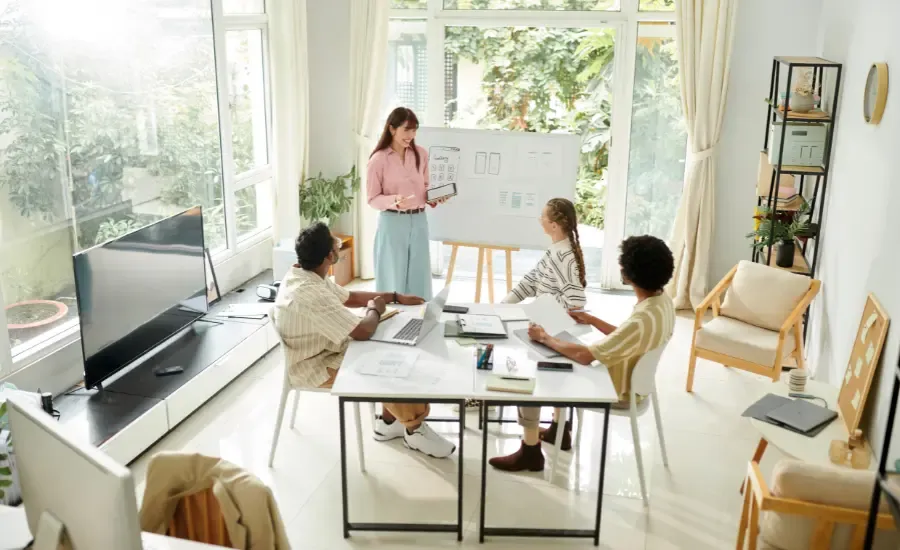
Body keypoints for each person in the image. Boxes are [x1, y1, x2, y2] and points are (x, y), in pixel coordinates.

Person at [489, 235, 676, 472]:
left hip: (615, 387)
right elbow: (628, 336)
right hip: (633, 381)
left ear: (628, 274)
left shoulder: (642, 318)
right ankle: (559, 429)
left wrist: (545, 337)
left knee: (535, 370)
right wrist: (591, 320)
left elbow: (585, 356)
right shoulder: (661, 303)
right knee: (558, 349)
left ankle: (530, 451)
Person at [273, 222, 456, 459]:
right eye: (335, 242)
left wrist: (394, 297)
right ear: (330, 256)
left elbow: (349, 297)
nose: (338, 245)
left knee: (394, 348)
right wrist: (376, 310)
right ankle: (415, 430)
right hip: (315, 366)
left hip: (326, 349)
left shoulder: (305, 273)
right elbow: (363, 331)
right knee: (387, 363)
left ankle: (390, 423)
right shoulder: (309, 293)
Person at [367, 107, 449, 301]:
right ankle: (391, 319)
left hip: (419, 221)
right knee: (392, 277)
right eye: (407, 130)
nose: (411, 135)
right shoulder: (378, 160)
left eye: (414, 130)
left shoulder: (421, 154)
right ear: (392, 129)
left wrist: (434, 197)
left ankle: (420, 321)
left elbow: (425, 187)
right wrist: (393, 201)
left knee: (419, 277)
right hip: (392, 222)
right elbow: (372, 199)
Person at [502, 197, 587, 310]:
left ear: (554, 226)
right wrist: (503, 305)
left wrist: (540, 307)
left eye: (542, 217)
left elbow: (576, 303)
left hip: (552, 324)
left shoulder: (562, 256)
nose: (540, 220)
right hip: (543, 318)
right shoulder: (555, 250)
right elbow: (532, 280)